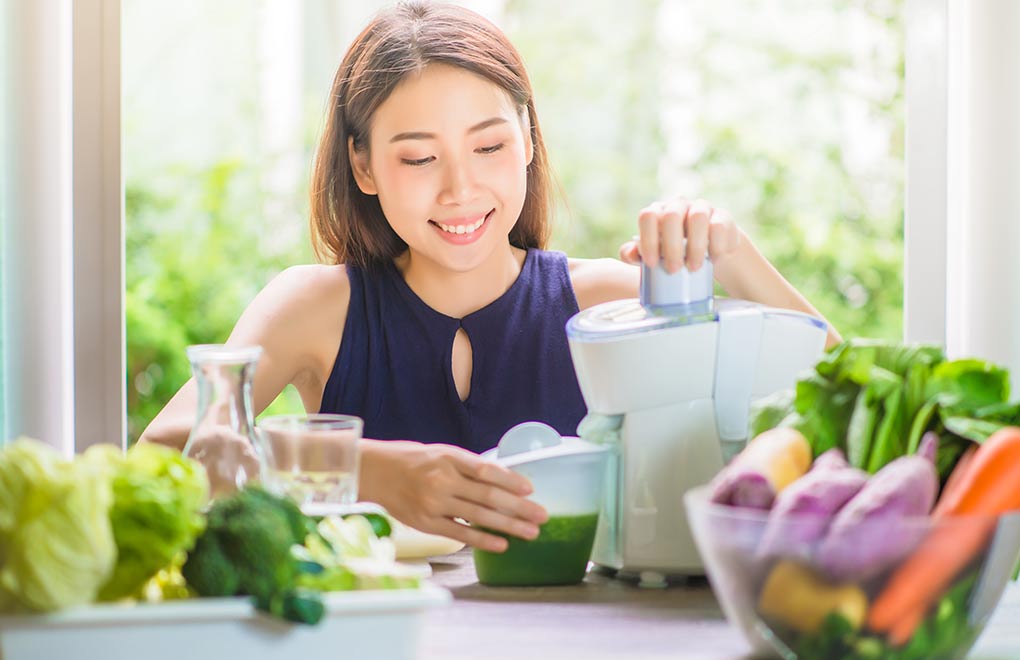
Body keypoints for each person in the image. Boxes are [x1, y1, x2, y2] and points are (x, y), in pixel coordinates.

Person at [141, 1, 840, 552]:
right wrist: (366, 469)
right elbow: (160, 456)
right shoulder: (315, 307)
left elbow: (845, 405)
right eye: (419, 159)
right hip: (373, 648)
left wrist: (736, 256)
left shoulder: (604, 304)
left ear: (528, 139)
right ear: (363, 166)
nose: (460, 190)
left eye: (489, 145)